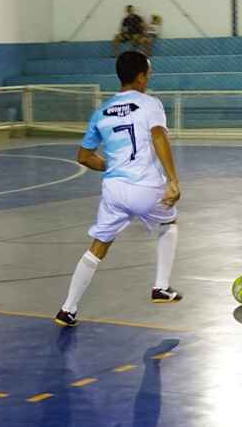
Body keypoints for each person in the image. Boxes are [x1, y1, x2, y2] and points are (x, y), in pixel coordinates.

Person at [54, 51, 183, 327]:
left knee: (97, 247)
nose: (149, 78)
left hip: (113, 190)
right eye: (148, 73)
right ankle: (161, 286)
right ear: (140, 77)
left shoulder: (101, 112)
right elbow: (159, 136)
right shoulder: (150, 104)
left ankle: (68, 309)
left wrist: (110, 164)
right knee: (169, 223)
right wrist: (173, 180)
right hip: (145, 187)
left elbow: (84, 157)